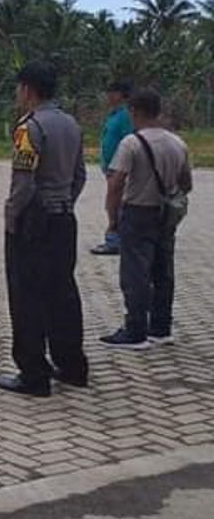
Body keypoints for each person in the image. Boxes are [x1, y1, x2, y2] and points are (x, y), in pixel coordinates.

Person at [0, 62, 89, 397]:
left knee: (27, 297)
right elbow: (80, 175)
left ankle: (33, 373)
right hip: (65, 220)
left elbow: (23, 183)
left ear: (28, 90)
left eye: (19, 88)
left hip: (35, 224)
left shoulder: (29, 128)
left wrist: (12, 219)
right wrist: (65, 201)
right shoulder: (71, 124)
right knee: (62, 293)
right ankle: (72, 366)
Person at [99, 88, 192, 350]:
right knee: (163, 270)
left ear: (135, 112)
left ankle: (135, 330)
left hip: (138, 211)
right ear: (158, 111)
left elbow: (116, 184)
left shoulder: (131, 143)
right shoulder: (178, 143)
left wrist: (113, 218)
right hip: (165, 214)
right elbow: (187, 183)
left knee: (135, 273)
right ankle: (161, 328)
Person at [91, 79, 135, 255]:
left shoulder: (125, 116)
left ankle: (116, 240)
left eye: (112, 92)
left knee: (114, 204)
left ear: (122, 95)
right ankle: (116, 238)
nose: (108, 96)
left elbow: (129, 141)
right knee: (113, 204)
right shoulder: (114, 114)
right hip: (110, 168)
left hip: (119, 169)